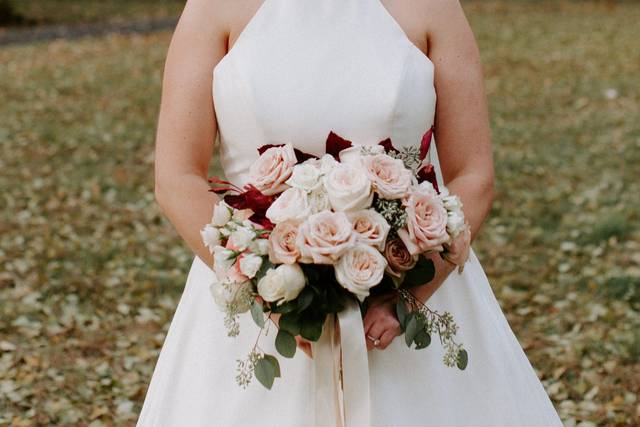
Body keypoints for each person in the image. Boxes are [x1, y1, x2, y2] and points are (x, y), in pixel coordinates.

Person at [137, 0, 563, 425]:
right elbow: (176, 179)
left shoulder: (434, 8)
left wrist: (408, 296)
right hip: (257, 307)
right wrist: (269, 291)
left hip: (417, 290)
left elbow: (473, 175)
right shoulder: (213, 8)